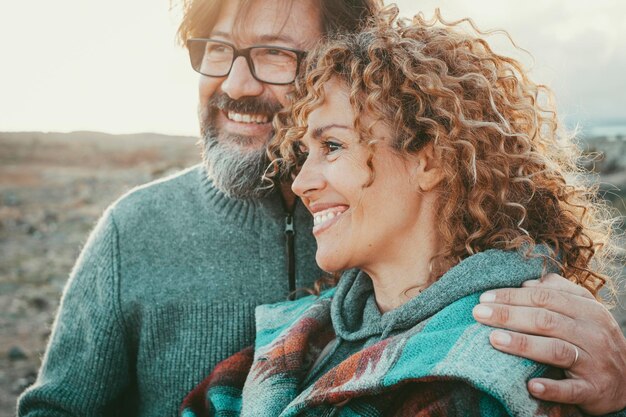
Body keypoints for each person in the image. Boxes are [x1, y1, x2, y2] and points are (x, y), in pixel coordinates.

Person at [16, 1, 626, 416]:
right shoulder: (136, 230)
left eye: (275, 55)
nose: (235, 84)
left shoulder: (463, 275)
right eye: (216, 49)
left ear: (349, 62)